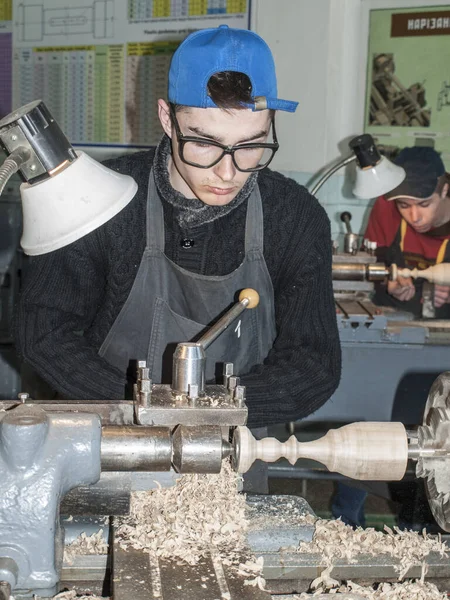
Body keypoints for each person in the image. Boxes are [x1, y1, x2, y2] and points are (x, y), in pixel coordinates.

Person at [13, 24, 341, 430]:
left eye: (252, 144)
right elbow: (44, 333)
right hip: (111, 436)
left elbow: (314, 363)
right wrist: (144, 411)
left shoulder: (294, 218)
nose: (227, 171)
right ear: (167, 118)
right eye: (204, 143)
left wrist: (212, 417)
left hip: (233, 446)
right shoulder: (96, 203)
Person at [365, 146, 450, 319]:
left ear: (444, 191)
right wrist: (386, 282)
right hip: (392, 323)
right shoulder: (386, 207)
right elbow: (367, 269)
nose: (414, 217)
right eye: (404, 205)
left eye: (424, 204)